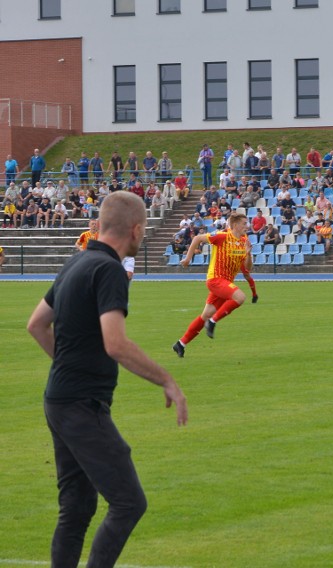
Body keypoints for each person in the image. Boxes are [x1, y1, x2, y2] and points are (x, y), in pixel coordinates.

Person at [26, 191, 187, 568]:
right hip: (81, 405)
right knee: (129, 502)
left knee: (77, 508)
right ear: (135, 229)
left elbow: (36, 325)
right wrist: (167, 380)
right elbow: (115, 343)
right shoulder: (109, 270)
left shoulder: (76, 263)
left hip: (58, 401)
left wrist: (68, 363)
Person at [173, 213, 252, 357]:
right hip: (215, 280)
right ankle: (213, 321)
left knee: (205, 315)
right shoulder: (222, 236)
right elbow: (197, 238)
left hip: (225, 284)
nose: (247, 226)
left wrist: (249, 254)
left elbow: (248, 268)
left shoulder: (244, 241)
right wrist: (187, 258)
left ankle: (181, 343)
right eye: (244, 223)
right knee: (240, 297)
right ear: (235, 225)